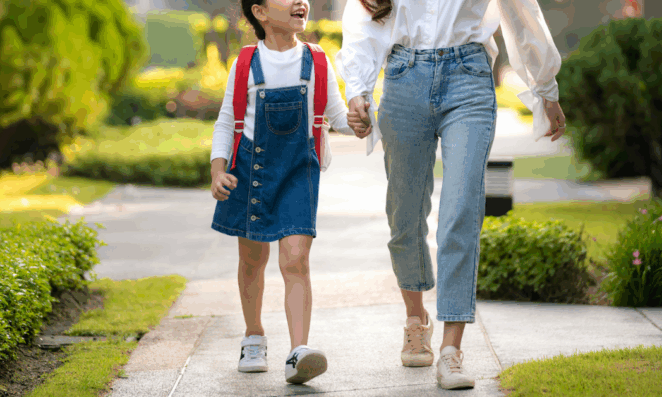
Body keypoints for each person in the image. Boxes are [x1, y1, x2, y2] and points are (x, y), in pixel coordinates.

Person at [336, 0, 567, 390]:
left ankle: (451, 350)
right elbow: (363, 15)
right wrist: (357, 87)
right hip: (403, 76)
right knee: (404, 215)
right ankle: (415, 320)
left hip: (469, 78)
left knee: (461, 210)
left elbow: (521, 11)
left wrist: (545, 86)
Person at [209, 0, 364, 384]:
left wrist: (358, 124)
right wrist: (217, 170)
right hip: (250, 171)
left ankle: (298, 351)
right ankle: (254, 336)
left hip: (298, 173)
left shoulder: (317, 61)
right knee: (252, 259)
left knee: (296, 259)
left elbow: (337, 114)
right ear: (260, 12)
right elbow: (226, 120)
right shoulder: (246, 62)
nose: (301, 1)